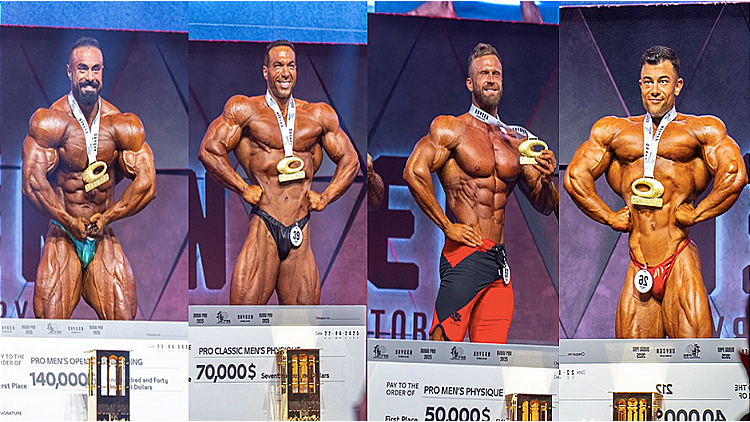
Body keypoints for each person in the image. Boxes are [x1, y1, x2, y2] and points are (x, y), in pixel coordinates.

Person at [564, 45, 747, 338]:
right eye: (648, 81)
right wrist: (609, 217)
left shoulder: (699, 130)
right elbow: (575, 177)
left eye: (663, 81)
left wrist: (697, 214)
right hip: (639, 263)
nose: (655, 90)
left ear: (677, 86)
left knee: (692, 358)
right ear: (640, 85)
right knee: (633, 362)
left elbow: (734, 174)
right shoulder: (615, 132)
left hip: (678, 258)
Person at [403, 42, 558, 344]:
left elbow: (544, 204)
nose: (491, 79)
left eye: (496, 74)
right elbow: (413, 172)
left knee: (490, 362)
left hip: (498, 263)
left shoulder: (516, 142)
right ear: (470, 83)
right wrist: (447, 227)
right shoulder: (452, 129)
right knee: (442, 351)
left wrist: (548, 179)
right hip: (465, 255)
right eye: (484, 73)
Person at [198, 39, 359, 305]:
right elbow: (209, 150)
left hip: (300, 228)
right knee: (243, 319)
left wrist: (326, 197)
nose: (285, 72)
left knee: (302, 327)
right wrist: (242, 187)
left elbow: (350, 160)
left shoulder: (317, 115)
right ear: (266, 71)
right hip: (265, 224)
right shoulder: (246, 110)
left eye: (291, 66)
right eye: (278, 65)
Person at [22, 36, 156, 320]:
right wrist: (68, 221)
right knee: (50, 320)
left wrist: (107, 218)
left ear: (102, 72)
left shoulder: (121, 124)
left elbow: (147, 185)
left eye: (96, 69)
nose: (90, 77)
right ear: (69, 71)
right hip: (64, 232)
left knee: (123, 317)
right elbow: (32, 184)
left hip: (101, 232)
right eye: (82, 69)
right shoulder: (51, 122)